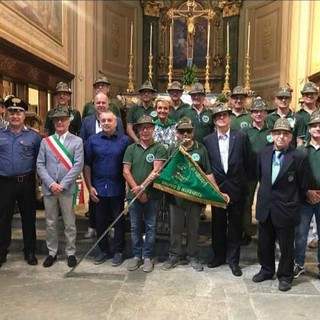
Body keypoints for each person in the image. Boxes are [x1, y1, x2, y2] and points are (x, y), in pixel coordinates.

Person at [162, 117, 228, 272]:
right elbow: (165, 170)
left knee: (194, 227)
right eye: (181, 131)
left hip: (195, 196)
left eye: (188, 131)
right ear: (176, 133)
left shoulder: (201, 149)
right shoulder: (172, 148)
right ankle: (174, 255)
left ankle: (192, 255)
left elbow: (208, 173)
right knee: (175, 228)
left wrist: (217, 192)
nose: (185, 134)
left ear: (193, 132)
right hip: (176, 197)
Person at [252, 118, 311, 292]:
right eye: (277, 133)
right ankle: (266, 269)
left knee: (286, 245)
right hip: (266, 206)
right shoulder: (263, 153)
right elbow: (260, 176)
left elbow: (303, 185)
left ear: (290, 137)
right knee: (265, 242)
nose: (281, 137)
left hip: (286, 207)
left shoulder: (299, 156)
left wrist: (289, 199)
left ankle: (285, 275)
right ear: (271, 135)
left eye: (285, 134)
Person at [203, 103, 250, 277]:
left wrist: (239, 183)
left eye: (224, 115)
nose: (221, 118)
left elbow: (247, 162)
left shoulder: (241, 137)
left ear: (229, 118)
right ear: (214, 120)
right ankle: (218, 257)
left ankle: (233, 260)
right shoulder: (207, 140)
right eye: (218, 116)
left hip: (236, 188)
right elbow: (207, 166)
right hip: (217, 189)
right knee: (218, 224)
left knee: (236, 226)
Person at [37, 105, 84, 268]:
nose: (59, 122)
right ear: (53, 122)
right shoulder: (45, 141)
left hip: (67, 188)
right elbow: (40, 164)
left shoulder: (77, 141)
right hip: (49, 188)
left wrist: (62, 185)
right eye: (56, 120)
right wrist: (51, 183)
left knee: (69, 222)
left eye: (63, 119)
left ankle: (71, 252)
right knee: (50, 222)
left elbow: (78, 165)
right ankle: (52, 252)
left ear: (68, 121)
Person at [83, 111, 131, 266]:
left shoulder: (125, 141)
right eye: (103, 120)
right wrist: (89, 187)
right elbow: (87, 165)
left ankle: (118, 251)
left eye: (109, 120)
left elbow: (129, 166)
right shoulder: (92, 141)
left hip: (117, 188)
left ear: (116, 122)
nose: (106, 123)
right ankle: (103, 250)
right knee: (100, 222)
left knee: (118, 222)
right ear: (99, 122)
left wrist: (128, 187)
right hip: (98, 189)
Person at [0, 97, 42, 267]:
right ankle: (2, 252)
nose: (15, 116)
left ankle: (30, 251)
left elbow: (41, 160)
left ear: (24, 115)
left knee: (29, 217)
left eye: (18, 112)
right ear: (6, 113)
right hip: (4, 182)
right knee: (3, 218)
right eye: (11, 112)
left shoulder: (34, 136)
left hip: (26, 181)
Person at [123, 115, 167, 273]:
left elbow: (156, 170)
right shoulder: (131, 148)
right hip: (134, 195)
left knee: (150, 226)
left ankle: (147, 256)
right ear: (137, 130)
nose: (145, 130)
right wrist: (137, 188)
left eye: (148, 127)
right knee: (135, 227)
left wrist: (143, 188)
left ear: (154, 129)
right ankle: (136, 256)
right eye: (142, 127)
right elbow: (126, 171)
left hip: (152, 195)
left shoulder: (159, 148)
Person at [80, 92, 124, 239]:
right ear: (94, 105)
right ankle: (93, 226)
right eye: (98, 103)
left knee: (112, 199)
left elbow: (121, 141)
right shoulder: (86, 121)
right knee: (94, 198)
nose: (100, 105)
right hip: (93, 161)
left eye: (103, 103)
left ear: (108, 104)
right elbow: (82, 140)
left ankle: (111, 227)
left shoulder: (117, 120)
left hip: (112, 165)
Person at [240, 97, 272, 245]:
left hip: (268, 173)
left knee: (266, 202)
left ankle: (267, 232)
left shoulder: (272, 131)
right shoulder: (244, 132)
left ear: (266, 113)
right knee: (247, 203)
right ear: (251, 114)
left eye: (262, 112)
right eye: (256, 112)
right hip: (249, 172)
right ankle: (247, 231)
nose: (259, 114)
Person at [294, 112, 320, 279]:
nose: (318, 128)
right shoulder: (301, 151)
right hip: (305, 198)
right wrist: (307, 192)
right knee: (301, 232)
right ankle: (299, 263)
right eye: (314, 126)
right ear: (309, 129)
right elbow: (295, 176)